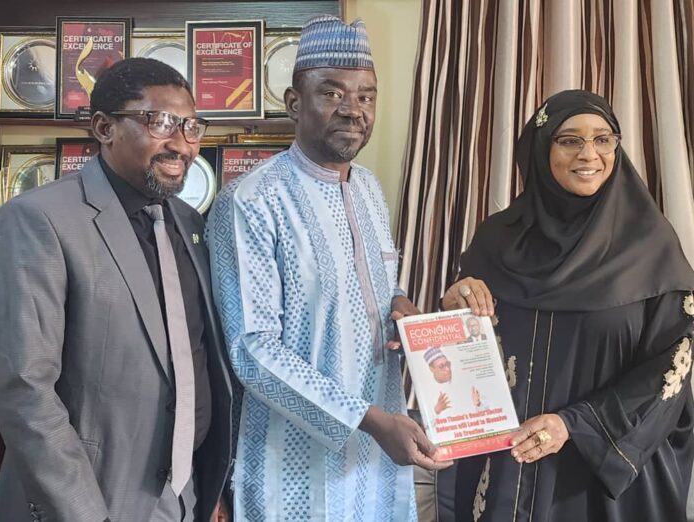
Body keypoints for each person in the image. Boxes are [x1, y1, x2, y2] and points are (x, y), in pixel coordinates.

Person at [207, 15, 449, 522]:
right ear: (295, 103)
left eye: (366, 96)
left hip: (378, 457)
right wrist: (368, 419)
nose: (354, 110)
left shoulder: (368, 190)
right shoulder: (250, 202)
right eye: (333, 93)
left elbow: (377, 286)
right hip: (293, 461)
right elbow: (253, 349)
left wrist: (399, 305)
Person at [0, 58, 233, 522]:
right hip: (90, 501)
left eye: (191, 126)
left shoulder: (188, 223)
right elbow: (24, 390)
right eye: (160, 122)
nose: (182, 144)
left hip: (184, 497)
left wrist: (206, 488)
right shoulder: (38, 219)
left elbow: (196, 357)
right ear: (104, 127)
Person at [442, 90, 694, 521]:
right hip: (508, 466)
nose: (589, 154)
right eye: (569, 140)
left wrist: (573, 425)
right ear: (542, 149)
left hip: (604, 477)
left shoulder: (649, 248)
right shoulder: (497, 240)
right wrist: (452, 308)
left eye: (603, 139)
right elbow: (462, 356)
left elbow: (672, 367)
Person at [425, 348, 453, 415]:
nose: (447, 369)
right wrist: (436, 411)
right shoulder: (427, 390)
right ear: (432, 369)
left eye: (447, 364)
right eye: (441, 366)